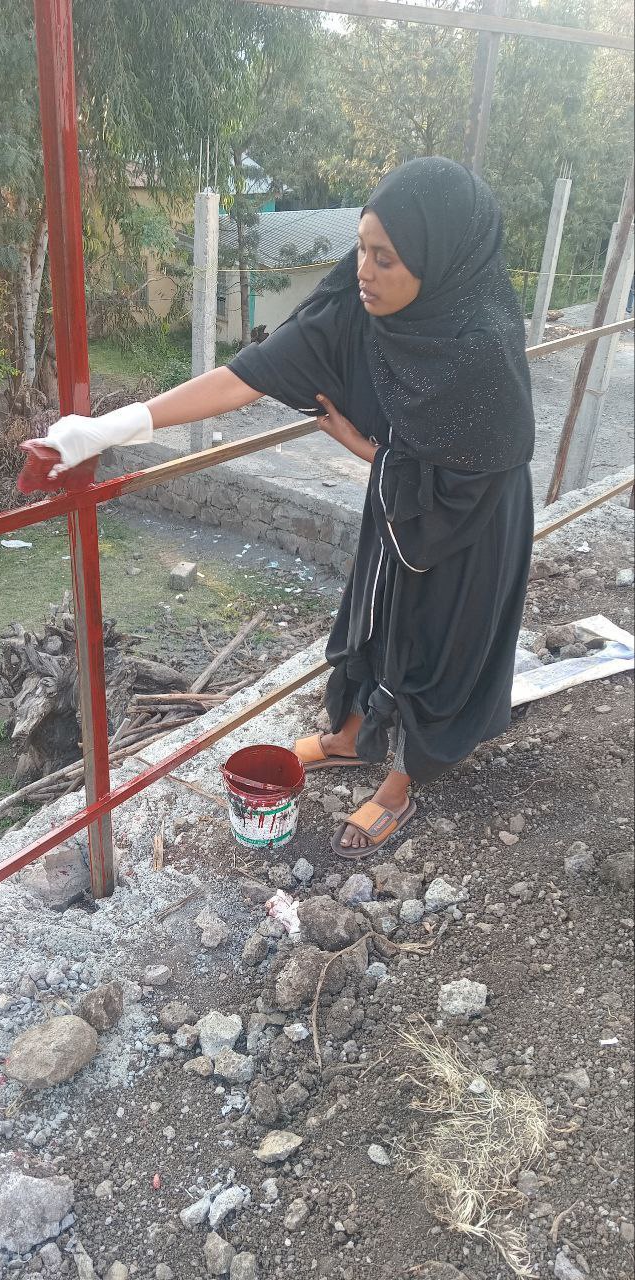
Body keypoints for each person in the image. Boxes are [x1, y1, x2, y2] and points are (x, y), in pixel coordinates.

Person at [32, 157, 535, 862]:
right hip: (402, 502)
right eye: (361, 247)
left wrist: (367, 452)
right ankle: (352, 734)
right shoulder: (355, 308)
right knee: (375, 612)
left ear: (439, 260)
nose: (363, 270)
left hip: (474, 520)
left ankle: (400, 783)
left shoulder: (481, 344)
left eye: (385, 258)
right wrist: (106, 429)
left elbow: (475, 474)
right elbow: (243, 378)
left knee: (436, 638)